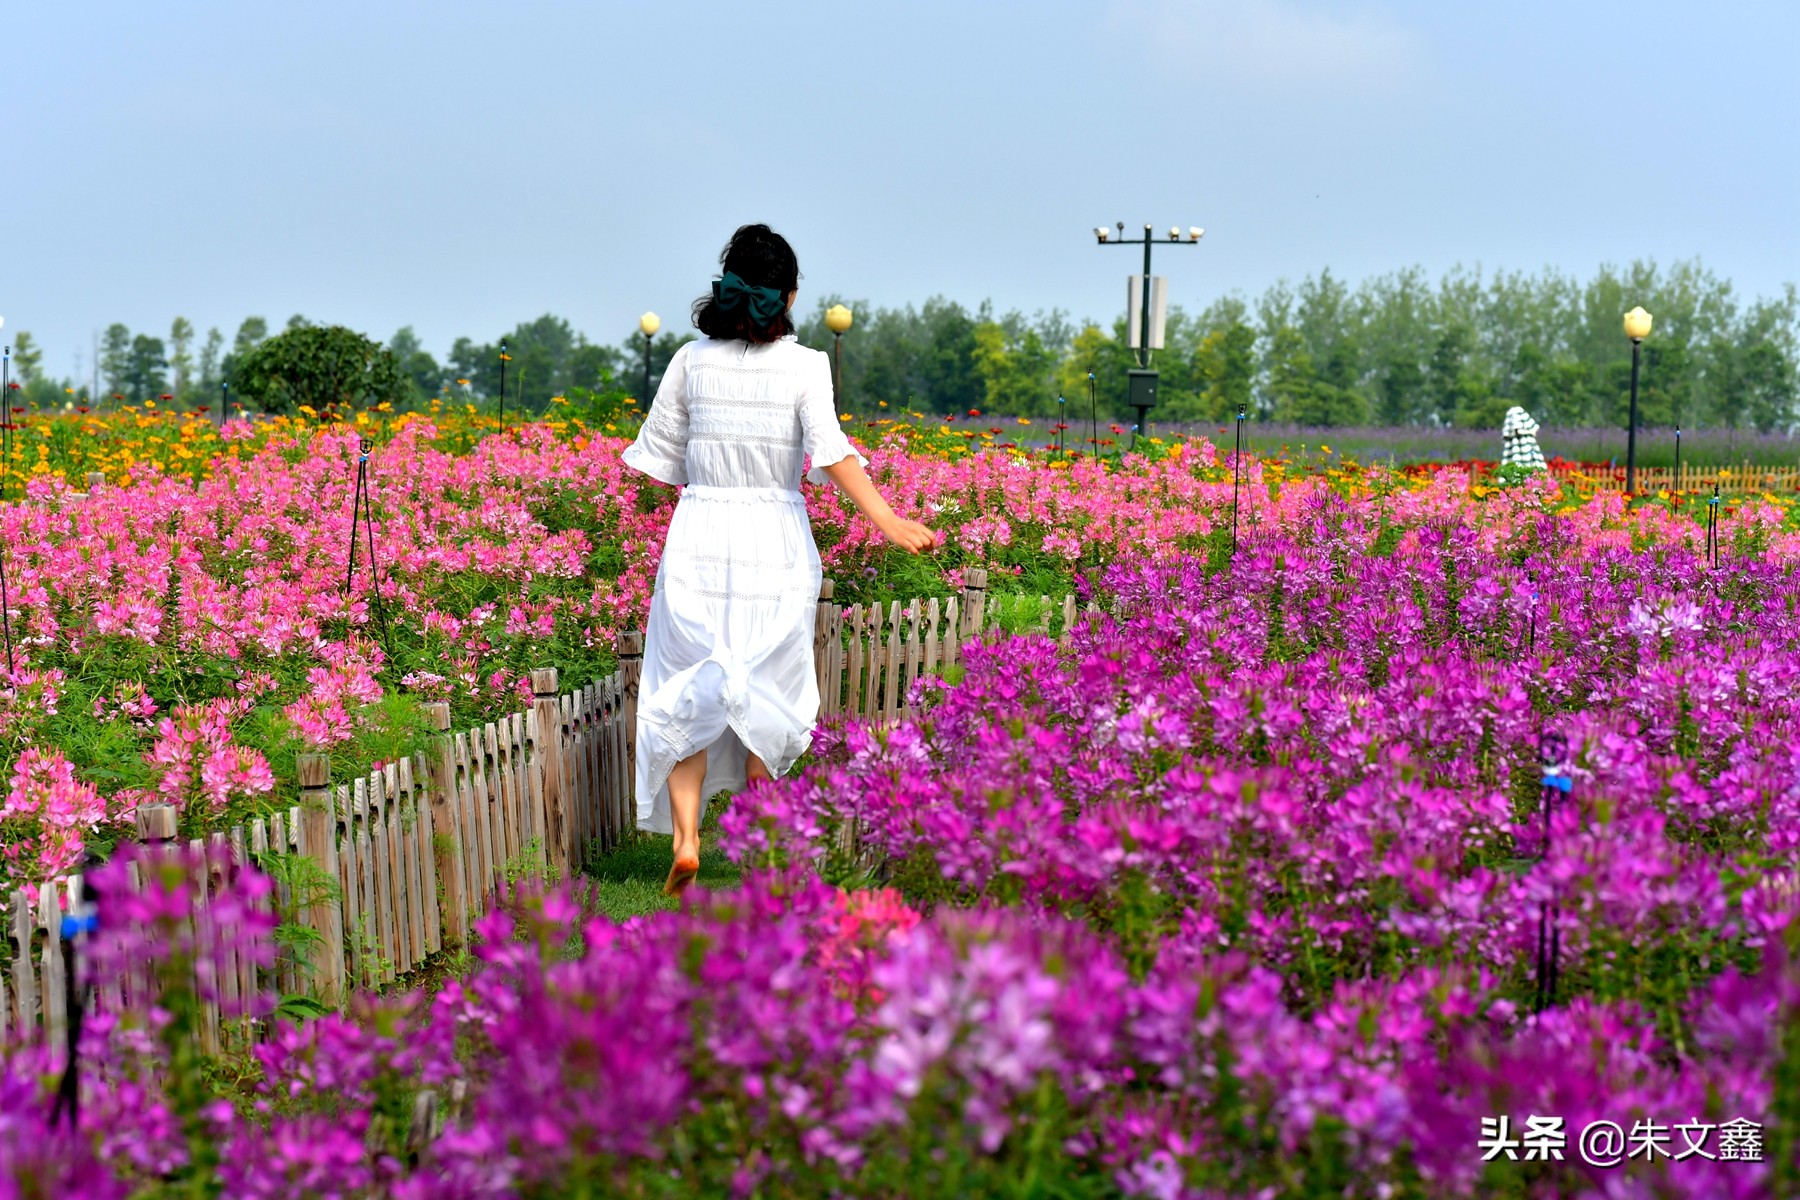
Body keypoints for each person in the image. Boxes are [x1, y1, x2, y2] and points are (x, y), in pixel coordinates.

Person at [621, 224, 937, 896]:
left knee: (688, 682)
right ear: (789, 296)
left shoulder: (686, 361)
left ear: (726, 290)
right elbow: (831, 454)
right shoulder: (807, 366)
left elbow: (656, 468)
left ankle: (685, 838)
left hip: (700, 535)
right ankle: (764, 835)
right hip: (774, 541)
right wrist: (887, 520)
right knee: (769, 683)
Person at [1500, 405, 1547, 472]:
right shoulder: (1516, 414)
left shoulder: (1513, 414)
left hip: (1524, 450)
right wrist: (1530, 432)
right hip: (1523, 450)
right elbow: (1518, 430)